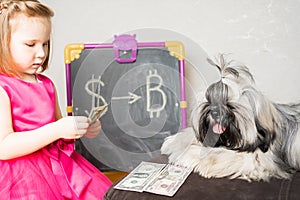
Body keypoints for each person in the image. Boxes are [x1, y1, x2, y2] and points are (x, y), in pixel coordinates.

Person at [0, 0, 112, 199]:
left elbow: (59, 129)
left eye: (45, 44)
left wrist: (79, 129)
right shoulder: (3, 87)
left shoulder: (46, 84)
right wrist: (57, 129)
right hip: (24, 176)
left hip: (60, 164)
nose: (41, 53)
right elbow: (4, 146)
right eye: (30, 44)